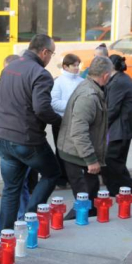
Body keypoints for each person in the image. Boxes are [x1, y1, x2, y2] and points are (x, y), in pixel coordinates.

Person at [0, 34, 62, 230]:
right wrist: (60, 121)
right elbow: (42, 108)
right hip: (26, 139)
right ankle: (27, 219)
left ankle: (5, 235)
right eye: (52, 54)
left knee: (11, 189)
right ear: (44, 52)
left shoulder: (10, 68)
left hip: (4, 138)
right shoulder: (40, 73)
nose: (51, 58)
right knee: (53, 173)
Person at [57, 56, 111, 219]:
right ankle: (64, 227)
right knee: (85, 198)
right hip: (77, 155)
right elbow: (78, 131)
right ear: (106, 76)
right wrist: (91, 159)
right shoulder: (89, 95)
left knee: (90, 196)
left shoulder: (88, 86)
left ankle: (88, 225)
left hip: (76, 152)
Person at [0, 54, 30, 239]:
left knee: (15, 186)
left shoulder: (21, 83)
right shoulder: (8, 82)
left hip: (20, 140)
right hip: (9, 139)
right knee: (19, 185)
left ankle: (4, 225)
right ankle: (21, 218)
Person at [101, 55, 132, 196]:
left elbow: (112, 108)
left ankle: (128, 187)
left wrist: (101, 125)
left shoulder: (119, 82)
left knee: (111, 160)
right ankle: (118, 189)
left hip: (120, 128)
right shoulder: (120, 79)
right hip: (120, 127)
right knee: (115, 161)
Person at [51, 53, 84, 187]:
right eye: (73, 65)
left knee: (75, 150)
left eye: (78, 65)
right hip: (61, 121)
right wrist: (73, 104)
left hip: (77, 122)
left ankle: (74, 177)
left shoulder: (82, 81)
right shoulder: (58, 82)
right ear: (65, 66)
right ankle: (61, 177)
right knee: (61, 150)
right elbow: (53, 102)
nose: (76, 68)